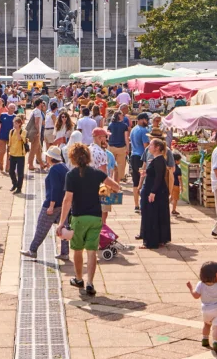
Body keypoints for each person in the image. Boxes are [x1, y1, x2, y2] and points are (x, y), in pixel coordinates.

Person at [59, 142, 119, 297]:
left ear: (72, 157)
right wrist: (102, 190)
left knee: (77, 249)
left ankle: (79, 279)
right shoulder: (96, 173)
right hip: (95, 217)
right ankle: (90, 283)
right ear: (88, 156)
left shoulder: (71, 175)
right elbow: (116, 187)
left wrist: (61, 222)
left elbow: (67, 200)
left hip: (78, 217)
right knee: (92, 251)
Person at [21, 146, 70, 261]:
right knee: (63, 228)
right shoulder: (64, 167)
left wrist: (51, 205)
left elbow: (55, 188)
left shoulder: (54, 170)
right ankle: (65, 252)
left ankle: (32, 250)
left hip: (53, 203)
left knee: (42, 226)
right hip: (64, 203)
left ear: (50, 157)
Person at [186, 261, 217, 354]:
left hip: (205, 311)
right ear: (213, 275)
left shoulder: (200, 284)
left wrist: (191, 288)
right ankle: (216, 342)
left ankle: (205, 339)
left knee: (207, 325)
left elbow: (196, 296)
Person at [140, 139, 171, 249]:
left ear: (157, 147)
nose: (149, 146)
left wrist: (153, 192)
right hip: (154, 189)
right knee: (157, 215)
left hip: (154, 190)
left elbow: (159, 177)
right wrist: (146, 172)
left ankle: (151, 241)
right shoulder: (158, 159)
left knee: (151, 216)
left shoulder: (159, 160)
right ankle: (159, 239)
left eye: (151, 145)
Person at [129, 113, 150, 213]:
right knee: (143, 180)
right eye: (146, 120)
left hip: (133, 156)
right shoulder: (144, 130)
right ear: (142, 119)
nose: (147, 122)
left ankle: (136, 205)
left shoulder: (133, 129)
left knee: (135, 181)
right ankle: (143, 204)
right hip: (141, 158)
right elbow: (146, 146)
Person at [107, 110, 130, 182]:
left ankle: (111, 181)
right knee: (120, 166)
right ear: (119, 116)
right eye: (122, 115)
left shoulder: (110, 125)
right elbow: (126, 138)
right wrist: (128, 148)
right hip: (121, 148)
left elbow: (107, 137)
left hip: (111, 147)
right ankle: (117, 183)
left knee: (111, 165)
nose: (123, 116)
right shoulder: (124, 126)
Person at [8, 115, 28, 194]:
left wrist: (17, 130)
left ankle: (19, 188)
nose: (14, 125)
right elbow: (10, 143)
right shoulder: (11, 131)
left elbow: (21, 139)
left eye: (16, 123)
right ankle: (14, 183)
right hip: (13, 153)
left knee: (20, 172)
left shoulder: (23, 131)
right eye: (14, 123)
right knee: (11, 171)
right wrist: (9, 153)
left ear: (20, 124)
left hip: (20, 154)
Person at [0, 104, 16, 173]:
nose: (12, 109)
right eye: (11, 108)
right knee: (2, 151)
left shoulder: (15, 117)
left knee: (9, 152)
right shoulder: (3, 115)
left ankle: (7, 167)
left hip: (11, 137)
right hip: (2, 136)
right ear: (8, 108)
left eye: (14, 108)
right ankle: (1, 164)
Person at [27, 99, 45, 171]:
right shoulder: (37, 111)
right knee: (34, 149)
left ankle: (41, 164)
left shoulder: (34, 110)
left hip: (36, 132)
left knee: (38, 149)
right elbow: (36, 122)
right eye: (42, 104)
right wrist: (38, 132)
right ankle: (30, 164)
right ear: (40, 104)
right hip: (36, 133)